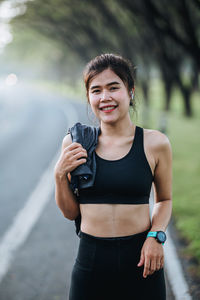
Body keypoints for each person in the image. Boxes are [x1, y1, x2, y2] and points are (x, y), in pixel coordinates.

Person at [54, 53, 172, 300]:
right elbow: (70, 213)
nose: (105, 97)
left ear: (130, 91)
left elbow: (164, 200)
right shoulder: (76, 143)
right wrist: (59, 174)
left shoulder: (155, 143)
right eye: (96, 90)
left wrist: (156, 236)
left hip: (142, 261)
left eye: (113, 87)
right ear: (88, 97)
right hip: (91, 262)